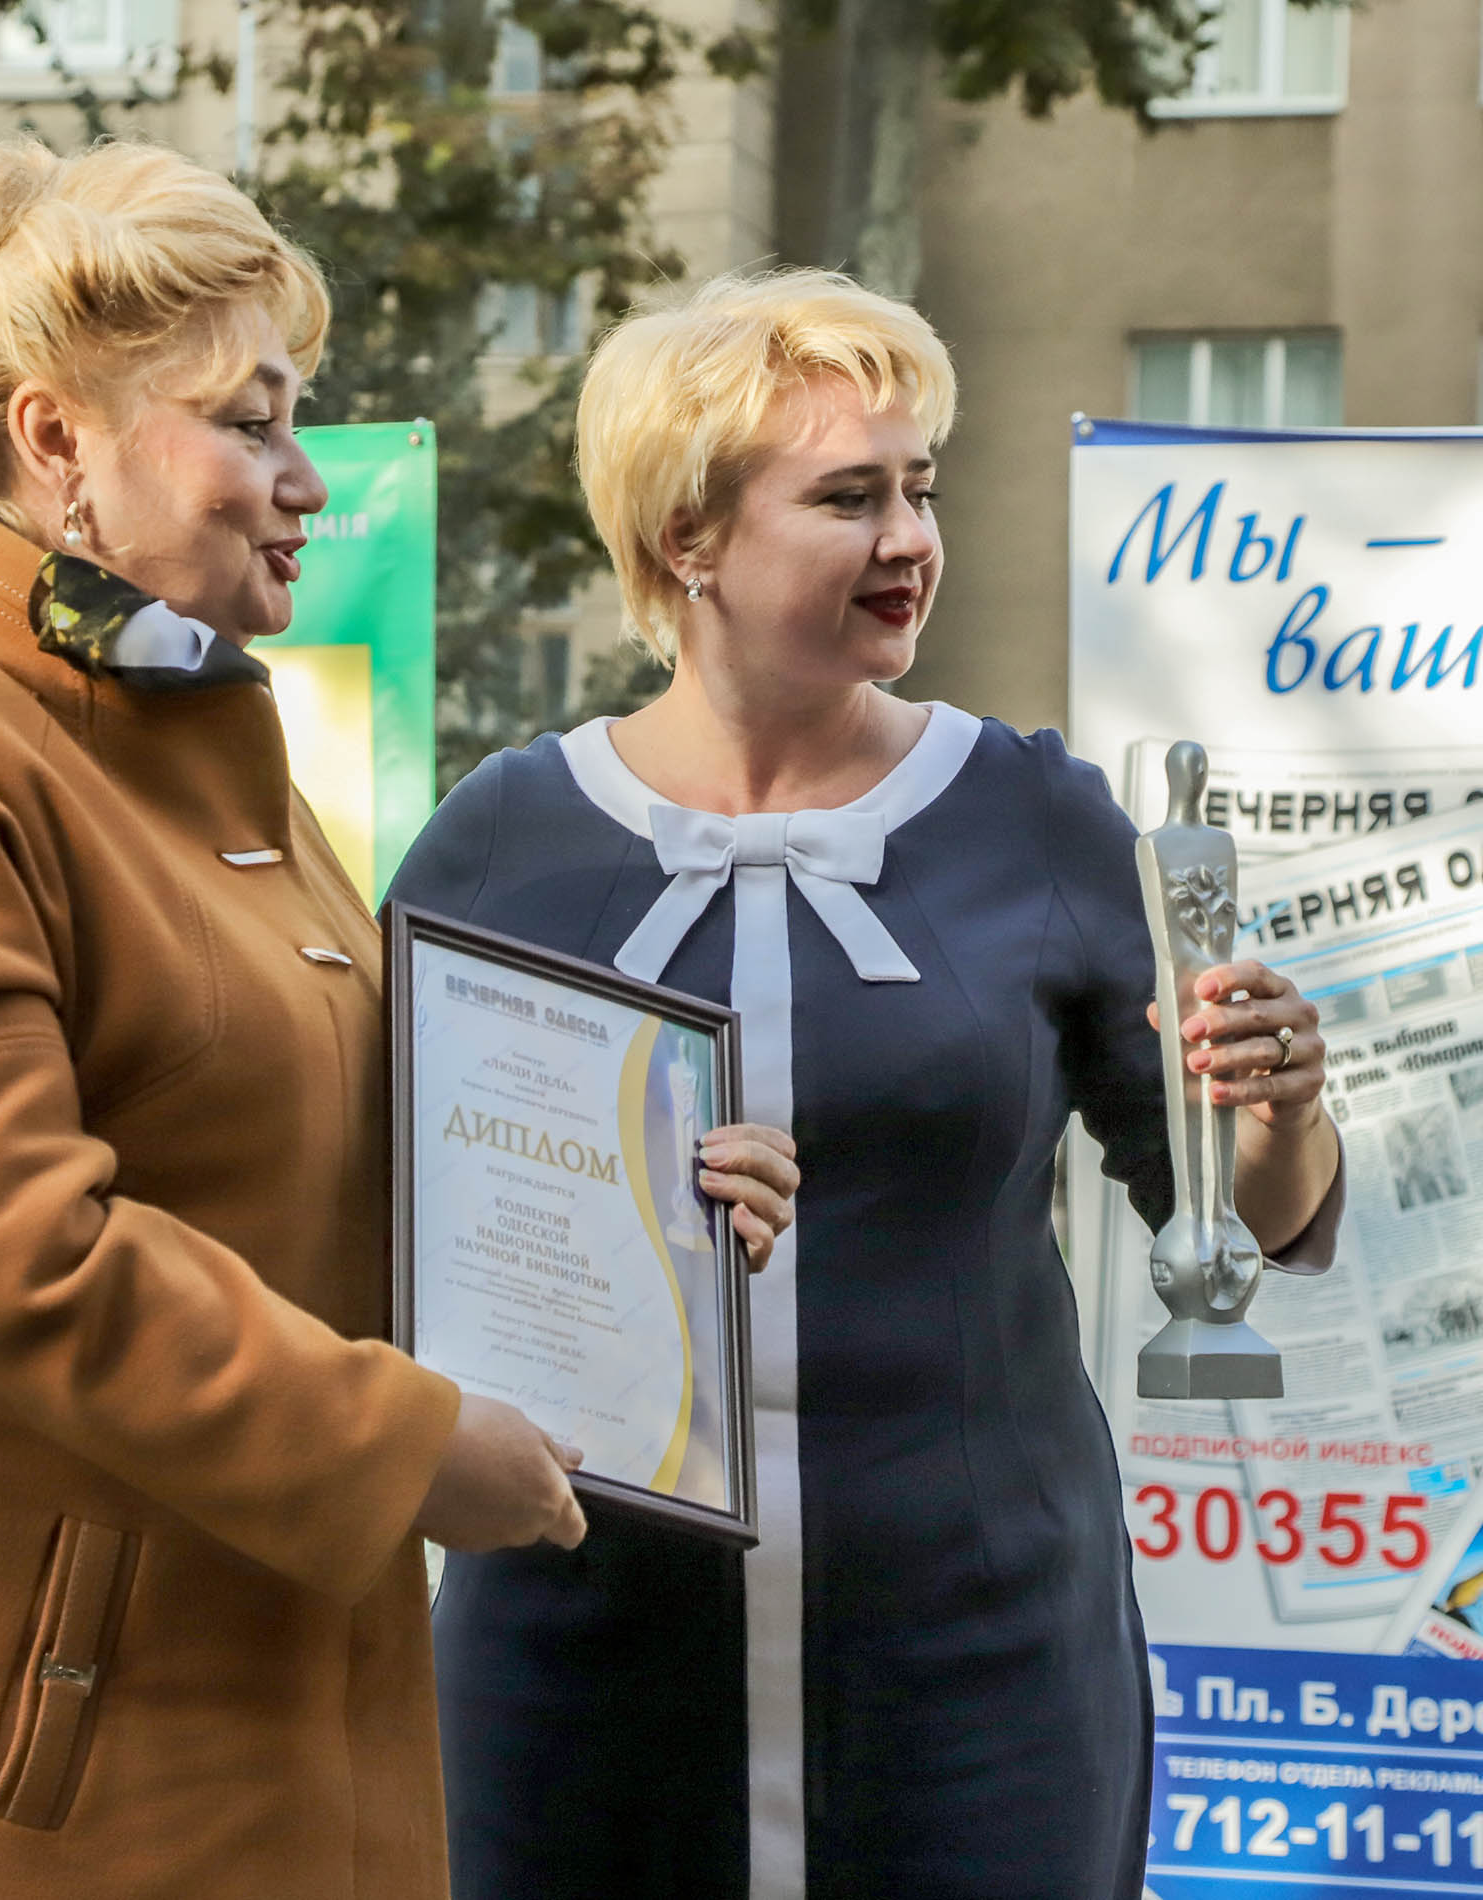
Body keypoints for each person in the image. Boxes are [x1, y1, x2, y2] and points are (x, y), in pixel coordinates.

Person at [0, 137, 761, 1900]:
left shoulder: (200, 760)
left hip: (261, 1711)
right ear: (55, 440)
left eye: (295, 419)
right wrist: (402, 1443)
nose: (303, 478)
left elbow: (335, 1176)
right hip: (10, 1774)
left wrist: (652, 1199)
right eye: (249, 424)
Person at [385, 268, 1344, 1900]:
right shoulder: (502, 839)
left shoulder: (1033, 815)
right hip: (581, 1666)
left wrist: (1281, 1116)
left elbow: (1237, 1228)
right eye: (848, 498)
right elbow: (399, 1233)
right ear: (687, 536)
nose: (910, 538)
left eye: (922, 490)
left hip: (983, 1673)